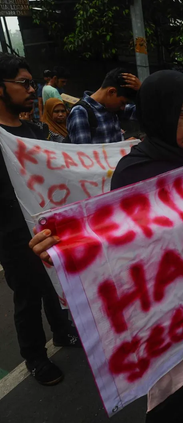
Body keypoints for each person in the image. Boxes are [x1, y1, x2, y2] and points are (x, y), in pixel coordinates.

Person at [30, 70, 183, 423]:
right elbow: (113, 243)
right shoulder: (134, 173)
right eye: (182, 112)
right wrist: (62, 250)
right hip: (166, 306)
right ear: (159, 113)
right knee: (174, 387)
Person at [0, 53, 80, 386]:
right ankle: (34, 357)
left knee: (53, 285)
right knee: (28, 296)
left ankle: (62, 332)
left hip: (43, 227)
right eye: (23, 83)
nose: (32, 89)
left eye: (33, 83)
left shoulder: (33, 131)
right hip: (12, 234)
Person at [66, 67, 141, 144]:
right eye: (122, 103)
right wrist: (121, 147)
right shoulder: (80, 112)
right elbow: (84, 154)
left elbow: (147, 112)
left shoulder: (114, 109)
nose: (123, 108)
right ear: (111, 92)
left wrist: (142, 89)